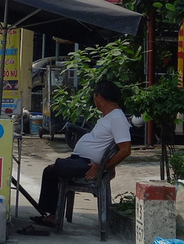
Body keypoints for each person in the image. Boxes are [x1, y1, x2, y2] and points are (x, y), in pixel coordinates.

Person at [33, 79, 131, 227]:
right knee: (51, 171)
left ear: (99, 97)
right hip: (82, 160)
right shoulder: (108, 116)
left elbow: (125, 149)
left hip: (89, 164)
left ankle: (53, 216)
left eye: (94, 97)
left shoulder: (117, 118)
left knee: (57, 167)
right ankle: (51, 215)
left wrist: (104, 167)